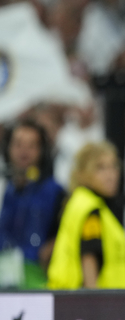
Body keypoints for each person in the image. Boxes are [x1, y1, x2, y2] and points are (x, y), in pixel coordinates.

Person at [47, 141, 125, 289]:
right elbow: (89, 257)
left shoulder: (78, 202)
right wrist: (92, 304)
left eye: (114, 166)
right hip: (95, 303)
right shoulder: (90, 209)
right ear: (83, 172)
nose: (111, 175)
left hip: (70, 299)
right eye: (100, 168)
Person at [0, 119, 65, 289]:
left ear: (41, 151)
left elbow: (66, 230)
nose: (24, 151)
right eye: (18, 144)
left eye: (31, 145)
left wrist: (51, 247)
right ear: (8, 148)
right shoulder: (3, 187)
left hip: (38, 276)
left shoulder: (55, 191)